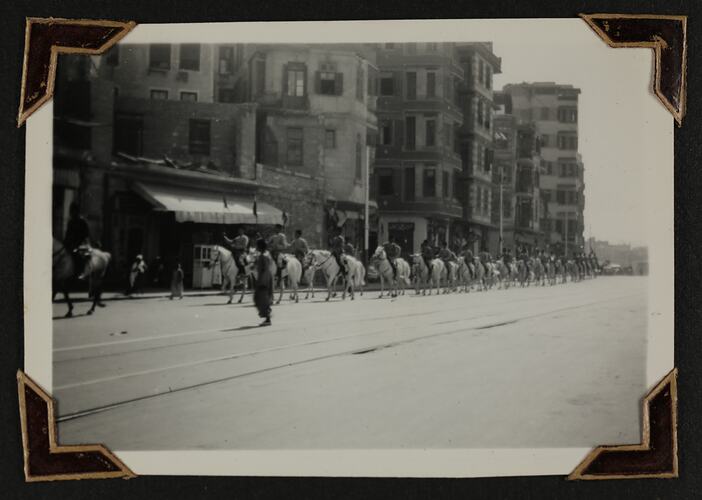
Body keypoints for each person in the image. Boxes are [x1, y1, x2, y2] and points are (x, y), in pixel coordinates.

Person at [63, 202, 91, 274]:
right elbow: (67, 235)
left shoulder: (82, 222)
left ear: (76, 211)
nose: (71, 213)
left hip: (79, 247)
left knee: (78, 260)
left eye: (73, 211)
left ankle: (79, 274)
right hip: (70, 246)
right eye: (71, 211)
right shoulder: (71, 222)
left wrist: (82, 246)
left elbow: (86, 236)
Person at [253, 238, 274, 326]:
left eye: (257, 245)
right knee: (259, 298)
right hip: (265, 278)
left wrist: (262, 282)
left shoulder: (264, 256)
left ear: (260, 246)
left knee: (262, 298)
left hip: (264, 279)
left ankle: (268, 318)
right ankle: (267, 315)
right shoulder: (264, 255)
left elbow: (265, 269)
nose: (256, 247)